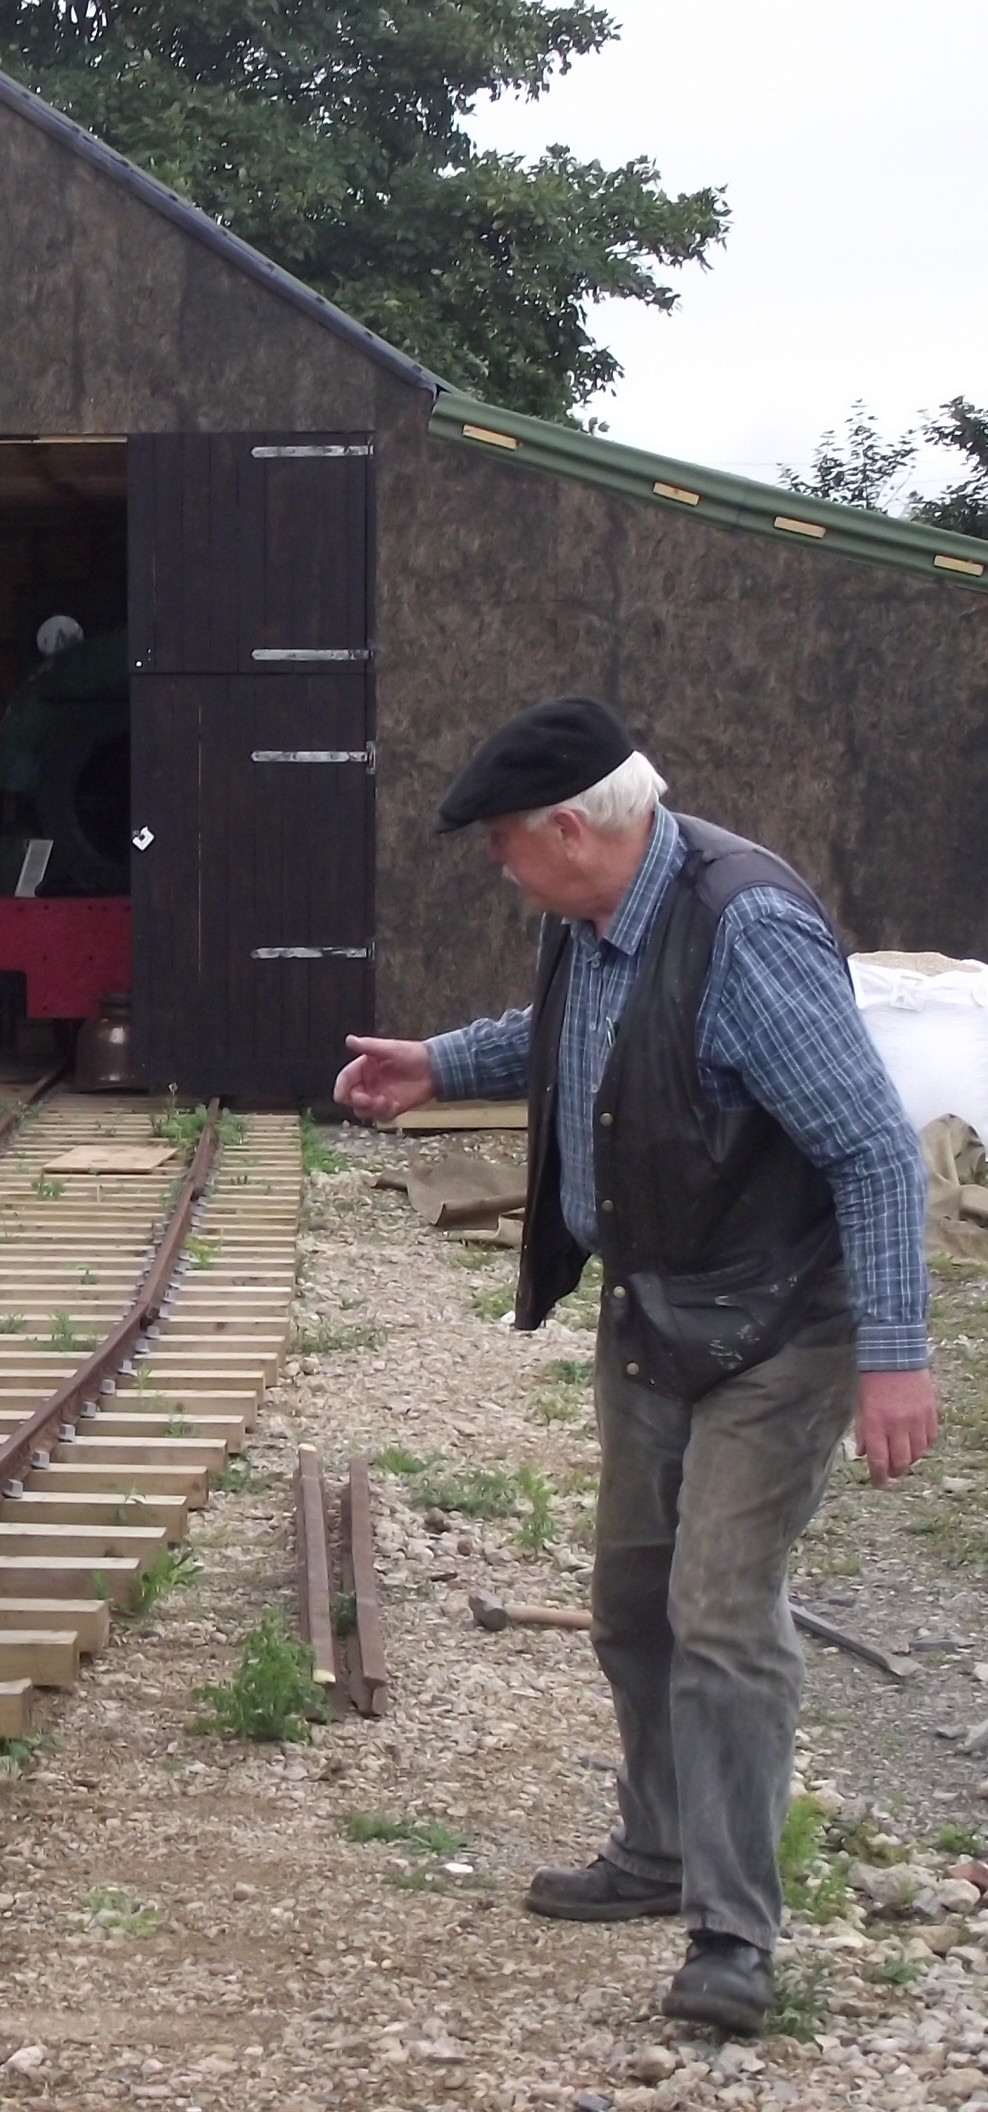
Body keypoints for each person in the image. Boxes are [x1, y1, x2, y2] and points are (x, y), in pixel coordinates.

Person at [336, 695, 934, 2036]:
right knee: (631, 1604)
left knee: (722, 1616)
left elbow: (873, 1152)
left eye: (501, 840)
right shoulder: (593, 920)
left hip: (782, 1328)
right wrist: (439, 1063)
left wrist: (896, 1358)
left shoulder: (744, 931)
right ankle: (659, 1849)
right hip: (656, 1315)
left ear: (567, 827)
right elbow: (578, 1044)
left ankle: (732, 1937)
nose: (496, 864)